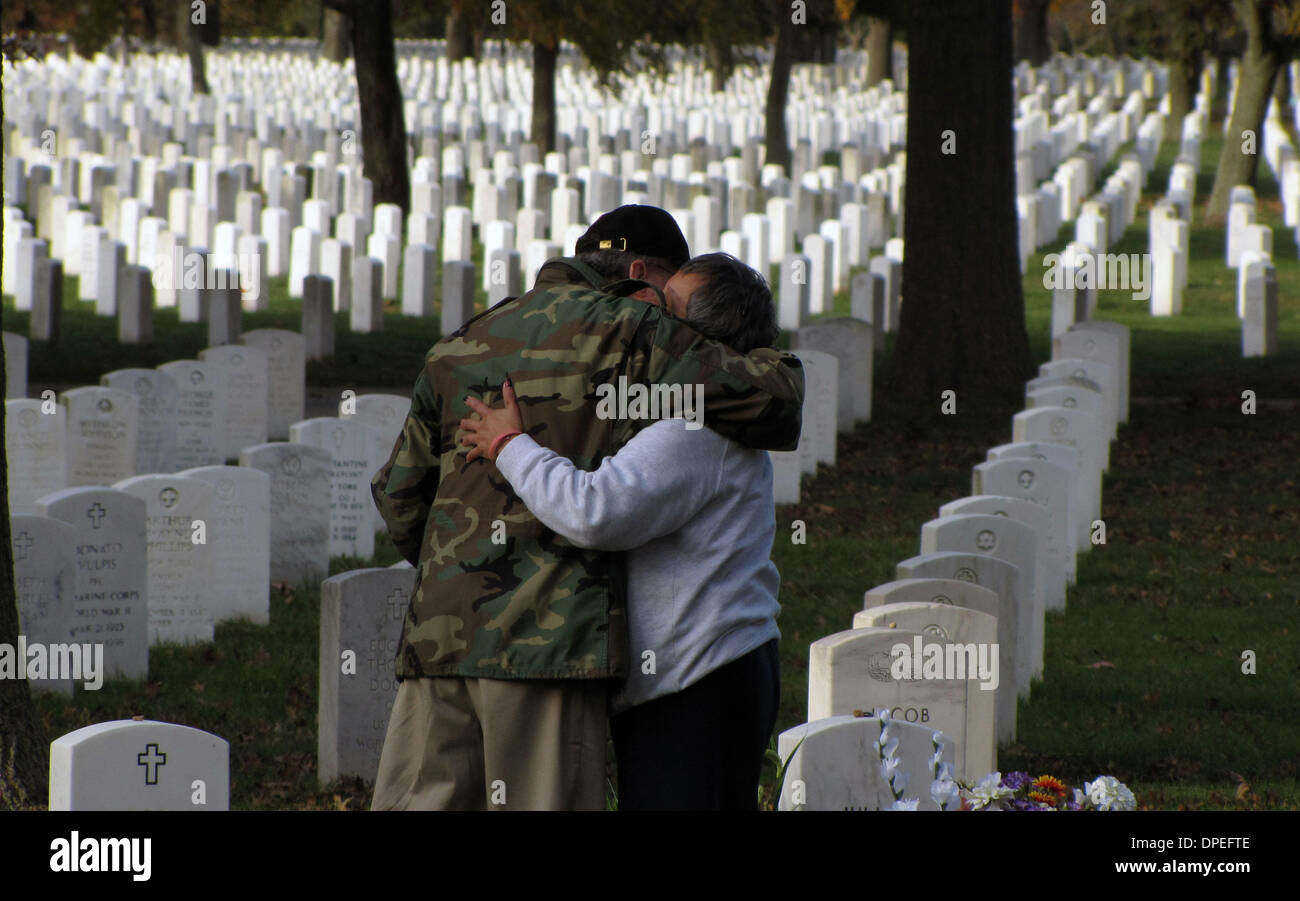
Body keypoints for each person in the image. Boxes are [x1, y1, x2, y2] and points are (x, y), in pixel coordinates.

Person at [369, 206, 804, 810]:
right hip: (545, 643)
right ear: (641, 273)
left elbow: (398, 499)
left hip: (438, 643)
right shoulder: (636, 331)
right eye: (669, 291)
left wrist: (458, 569)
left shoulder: (461, 342)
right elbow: (773, 401)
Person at [459, 253, 785, 810]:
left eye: (666, 305)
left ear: (695, 336)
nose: (646, 311)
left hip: (695, 681)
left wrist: (508, 446)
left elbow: (597, 512)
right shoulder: (712, 407)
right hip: (718, 669)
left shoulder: (693, 427)